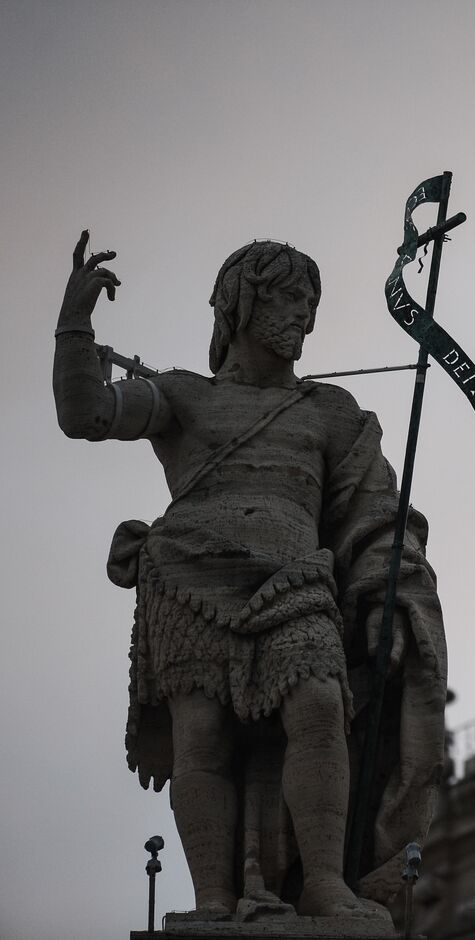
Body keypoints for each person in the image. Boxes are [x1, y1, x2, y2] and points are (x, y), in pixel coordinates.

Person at [53, 234, 448, 917]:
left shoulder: (334, 415)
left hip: (296, 581)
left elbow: (379, 513)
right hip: (187, 582)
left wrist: (387, 593)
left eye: (310, 303)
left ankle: (325, 882)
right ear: (241, 302)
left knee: (321, 709)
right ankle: (212, 898)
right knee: (201, 738)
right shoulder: (182, 395)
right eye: (289, 298)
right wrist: (74, 324)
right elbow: (84, 415)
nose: (305, 317)